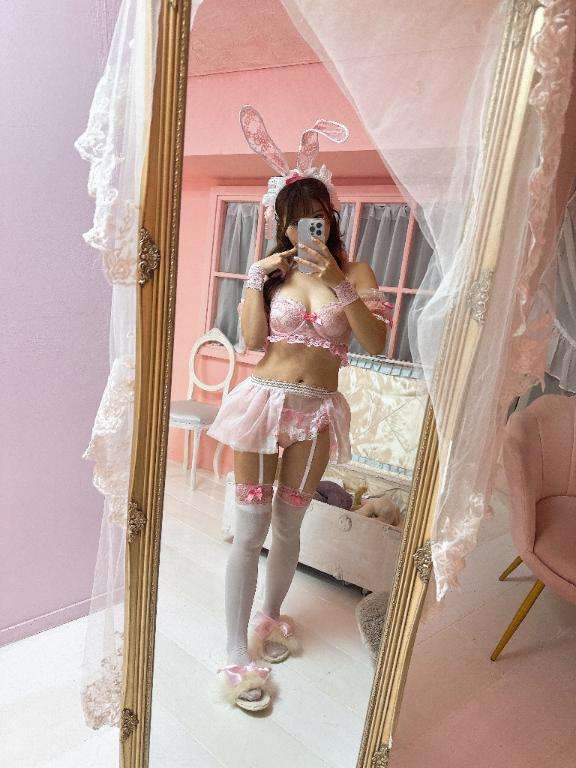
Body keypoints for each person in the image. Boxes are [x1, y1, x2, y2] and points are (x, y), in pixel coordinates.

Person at [207, 106, 393, 711]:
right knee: (250, 529)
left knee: (290, 526)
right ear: (282, 226)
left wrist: (339, 281)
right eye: (295, 220)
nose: (306, 228)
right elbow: (253, 341)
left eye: (317, 216)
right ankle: (234, 649)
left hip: (316, 413)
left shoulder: (355, 271)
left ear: (330, 218)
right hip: (264, 405)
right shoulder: (274, 278)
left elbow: (375, 341)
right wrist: (252, 281)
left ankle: (269, 617)